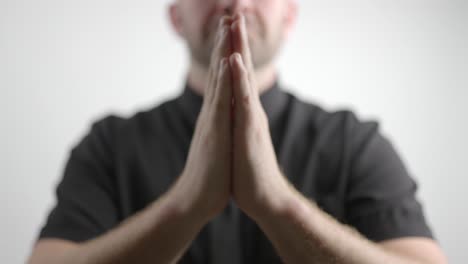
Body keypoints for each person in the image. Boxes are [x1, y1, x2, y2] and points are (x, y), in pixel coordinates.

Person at [28, 0, 447, 263]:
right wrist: (186, 205)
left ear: (290, 15)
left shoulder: (353, 141)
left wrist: (277, 203)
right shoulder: (110, 144)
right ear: (176, 16)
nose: (236, 3)